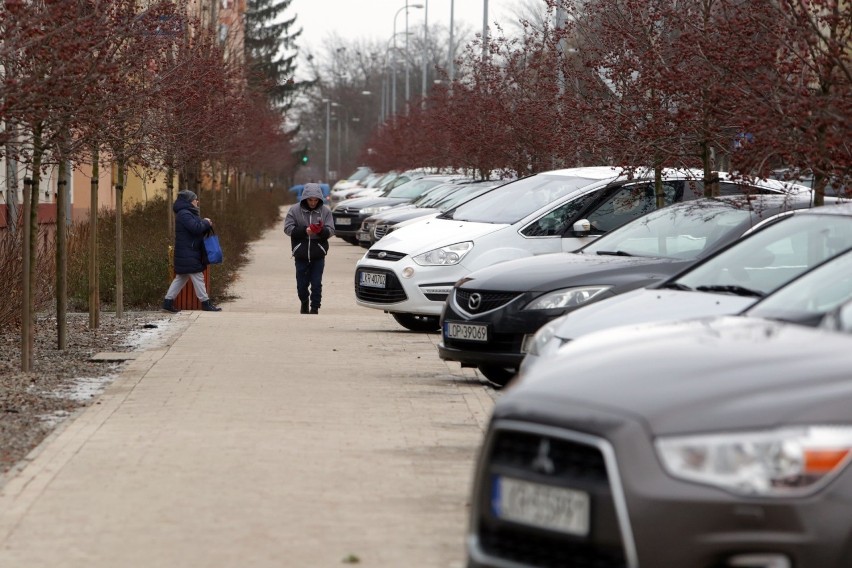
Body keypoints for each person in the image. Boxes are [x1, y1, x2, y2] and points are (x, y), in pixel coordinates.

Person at [161, 190, 222, 313]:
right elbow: (195, 228)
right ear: (189, 201)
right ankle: (205, 303)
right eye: (195, 199)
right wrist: (205, 222)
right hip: (188, 252)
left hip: (188, 251)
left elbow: (196, 229)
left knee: (181, 278)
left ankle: (167, 302)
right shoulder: (184, 214)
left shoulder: (187, 213)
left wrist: (205, 223)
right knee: (198, 276)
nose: (197, 201)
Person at [283, 183, 335, 314]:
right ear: (305, 198)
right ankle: (304, 301)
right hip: (301, 253)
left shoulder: (326, 211)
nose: (312, 203)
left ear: (319, 199)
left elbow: (331, 230)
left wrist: (321, 231)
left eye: (315, 200)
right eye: (310, 200)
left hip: (318, 253)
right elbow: (288, 228)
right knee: (302, 284)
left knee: (316, 283)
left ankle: (315, 308)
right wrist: (305, 231)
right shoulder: (294, 210)